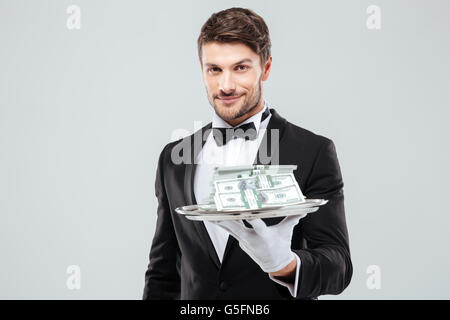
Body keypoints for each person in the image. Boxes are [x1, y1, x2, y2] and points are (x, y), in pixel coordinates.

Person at [142, 7, 352, 300]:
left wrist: (285, 264)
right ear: (202, 69)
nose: (226, 85)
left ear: (265, 68)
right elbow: (163, 272)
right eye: (214, 69)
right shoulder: (175, 157)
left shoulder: (312, 151)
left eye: (240, 68)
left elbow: (339, 266)